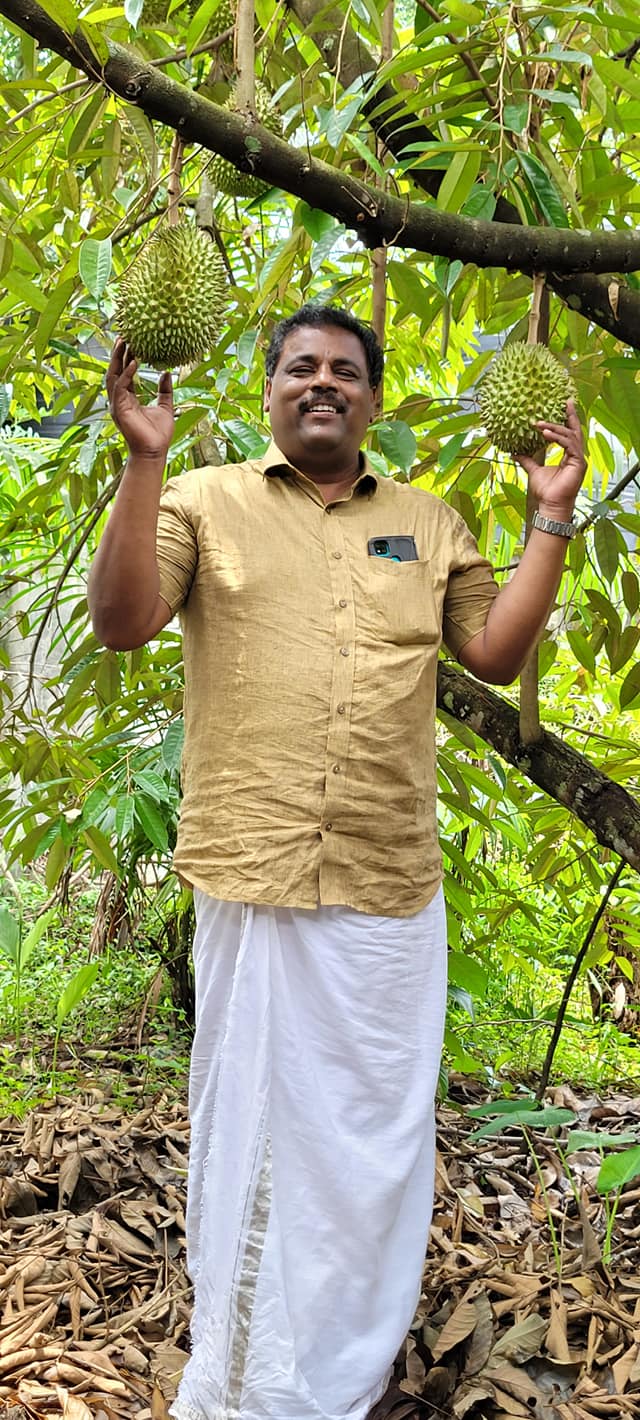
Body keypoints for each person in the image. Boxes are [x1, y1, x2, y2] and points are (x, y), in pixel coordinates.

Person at [88, 304, 586, 1420]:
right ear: (270, 390)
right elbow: (122, 619)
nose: (324, 383)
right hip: (256, 873)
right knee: (259, 1139)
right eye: (302, 367)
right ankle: (247, 1387)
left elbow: (496, 652)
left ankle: (337, 1385)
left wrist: (549, 518)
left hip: (386, 879)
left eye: (346, 371)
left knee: (370, 1150)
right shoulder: (203, 499)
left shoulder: (426, 519)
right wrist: (142, 460)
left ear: (372, 398)